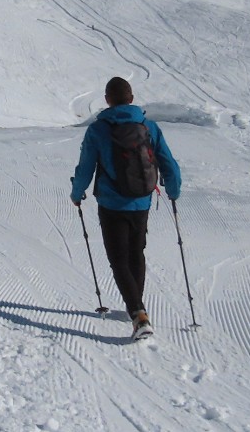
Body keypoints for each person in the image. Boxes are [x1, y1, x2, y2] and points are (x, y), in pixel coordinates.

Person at [70, 76, 181, 338]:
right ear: (131, 99)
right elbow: (169, 164)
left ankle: (138, 314)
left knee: (118, 259)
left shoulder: (98, 130)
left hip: (111, 203)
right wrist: (173, 191)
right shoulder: (149, 126)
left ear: (108, 101)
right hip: (141, 201)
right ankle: (137, 306)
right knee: (136, 253)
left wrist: (77, 193)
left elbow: (85, 167)